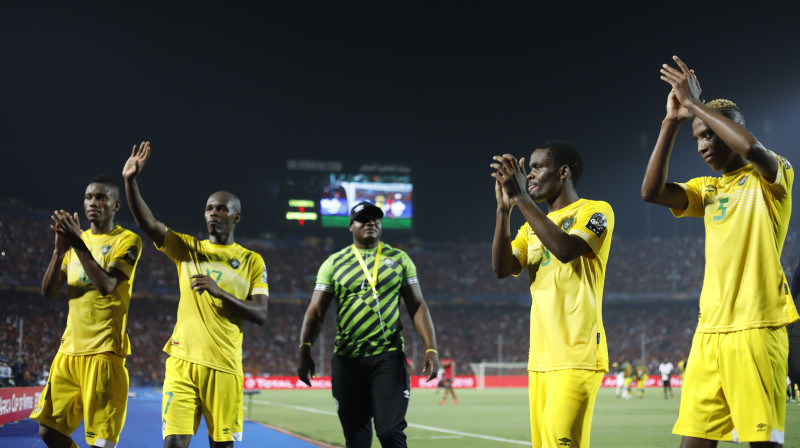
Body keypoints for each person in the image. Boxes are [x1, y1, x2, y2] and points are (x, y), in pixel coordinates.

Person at [642, 55, 798, 447]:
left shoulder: (772, 177)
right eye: (697, 138)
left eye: (708, 135)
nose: (702, 145)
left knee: (763, 442)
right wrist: (670, 123)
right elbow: (651, 192)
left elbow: (750, 148)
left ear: (730, 130)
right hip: (709, 332)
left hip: (757, 327)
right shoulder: (706, 189)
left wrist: (697, 105)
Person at [122, 142, 268, 448]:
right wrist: (130, 182)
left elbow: (260, 314)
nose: (214, 212)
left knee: (221, 445)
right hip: (182, 361)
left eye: (222, 208)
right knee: (174, 443)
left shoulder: (253, 260)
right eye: (209, 208)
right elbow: (148, 223)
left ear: (236, 217)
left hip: (225, 366)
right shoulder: (188, 249)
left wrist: (219, 293)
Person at [491, 142, 614, 448]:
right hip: (540, 359)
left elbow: (566, 249)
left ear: (563, 172)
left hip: (578, 354)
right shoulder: (529, 228)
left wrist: (520, 197)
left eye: (536, 167)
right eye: (527, 169)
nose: (528, 175)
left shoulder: (596, 211)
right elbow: (502, 268)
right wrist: (503, 211)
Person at [297, 201, 440, 448]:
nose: (370, 223)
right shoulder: (333, 263)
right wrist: (304, 349)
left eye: (375, 218)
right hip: (347, 360)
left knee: (389, 432)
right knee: (357, 439)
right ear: (350, 226)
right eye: (363, 219)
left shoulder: (399, 259)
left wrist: (431, 348)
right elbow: (316, 312)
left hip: (388, 357)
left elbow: (417, 305)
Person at [31, 175, 142, 448]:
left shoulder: (127, 240)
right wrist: (59, 252)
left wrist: (78, 244)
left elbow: (107, 285)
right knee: (49, 431)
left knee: (101, 444)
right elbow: (47, 293)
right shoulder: (73, 244)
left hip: (104, 352)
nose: (94, 202)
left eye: (101, 197)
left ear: (116, 206)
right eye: (89, 197)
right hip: (68, 351)